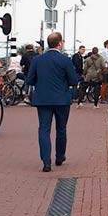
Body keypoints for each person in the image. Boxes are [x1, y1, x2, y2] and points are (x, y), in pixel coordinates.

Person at [26, 32, 79, 172]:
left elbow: (29, 80)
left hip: (43, 100)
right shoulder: (65, 60)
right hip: (62, 100)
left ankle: (46, 162)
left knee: (44, 129)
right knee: (61, 129)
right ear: (60, 43)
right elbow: (74, 80)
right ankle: (60, 156)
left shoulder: (37, 60)